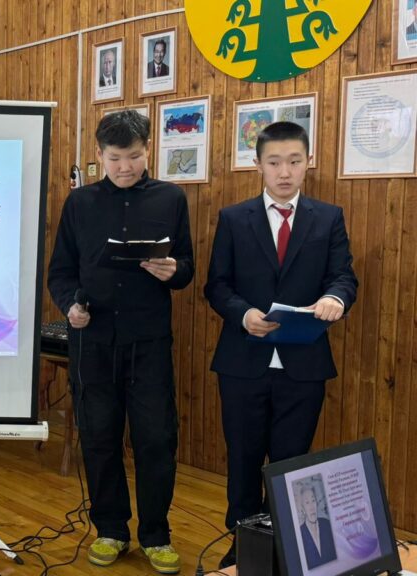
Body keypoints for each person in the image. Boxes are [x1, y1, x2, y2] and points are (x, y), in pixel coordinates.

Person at [204, 121, 358, 569]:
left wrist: (335, 299)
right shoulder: (234, 218)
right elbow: (218, 285)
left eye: (294, 161)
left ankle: (285, 549)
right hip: (242, 363)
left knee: (292, 466)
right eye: (274, 162)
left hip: (303, 365)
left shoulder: (328, 217)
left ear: (308, 161)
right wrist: (243, 314)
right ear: (258, 165)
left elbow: (343, 276)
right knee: (243, 461)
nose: (284, 172)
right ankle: (242, 546)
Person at [47, 110, 193, 574]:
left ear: (148, 150)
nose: (125, 166)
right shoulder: (80, 203)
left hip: (149, 342)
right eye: (115, 158)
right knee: (99, 438)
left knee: (156, 439)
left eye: (134, 156)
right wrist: (70, 307)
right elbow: (60, 273)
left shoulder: (171, 198)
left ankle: (156, 535)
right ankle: (110, 529)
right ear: (99, 155)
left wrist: (175, 271)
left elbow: (187, 266)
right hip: (93, 342)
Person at [298, 485, 336, 569]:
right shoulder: (299, 534)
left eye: (313, 500)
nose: (312, 507)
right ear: (303, 509)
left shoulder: (327, 525)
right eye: (307, 503)